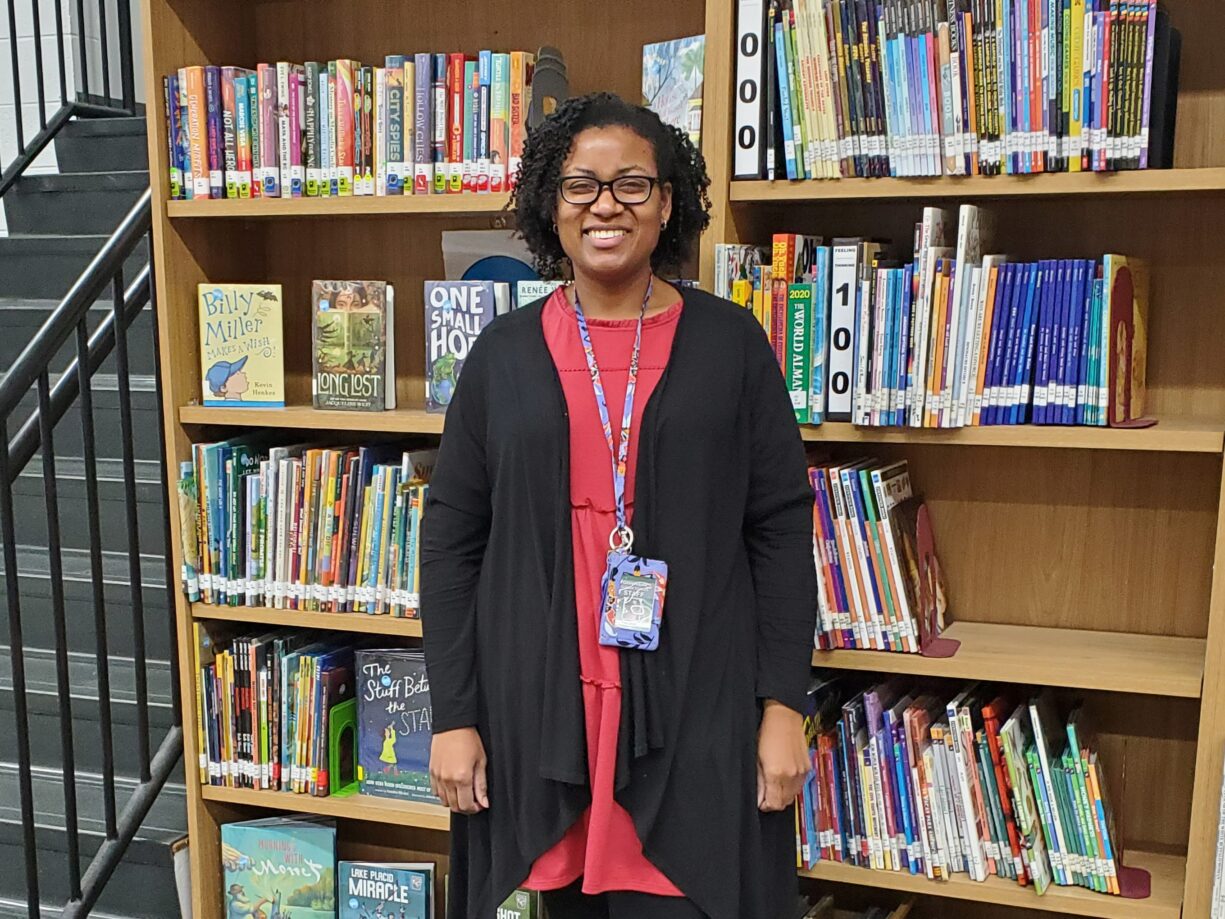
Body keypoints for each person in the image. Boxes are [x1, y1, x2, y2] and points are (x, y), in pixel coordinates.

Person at [422, 92, 817, 919]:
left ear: (667, 202)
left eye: (631, 184)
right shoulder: (500, 357)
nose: (605, 205)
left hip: (695, 712)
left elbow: (779, 531)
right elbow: (451, 545)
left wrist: (784, 706)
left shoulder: (732, 345)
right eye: (580, 185)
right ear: (551, 205)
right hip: (537, 718)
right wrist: (454, 717)